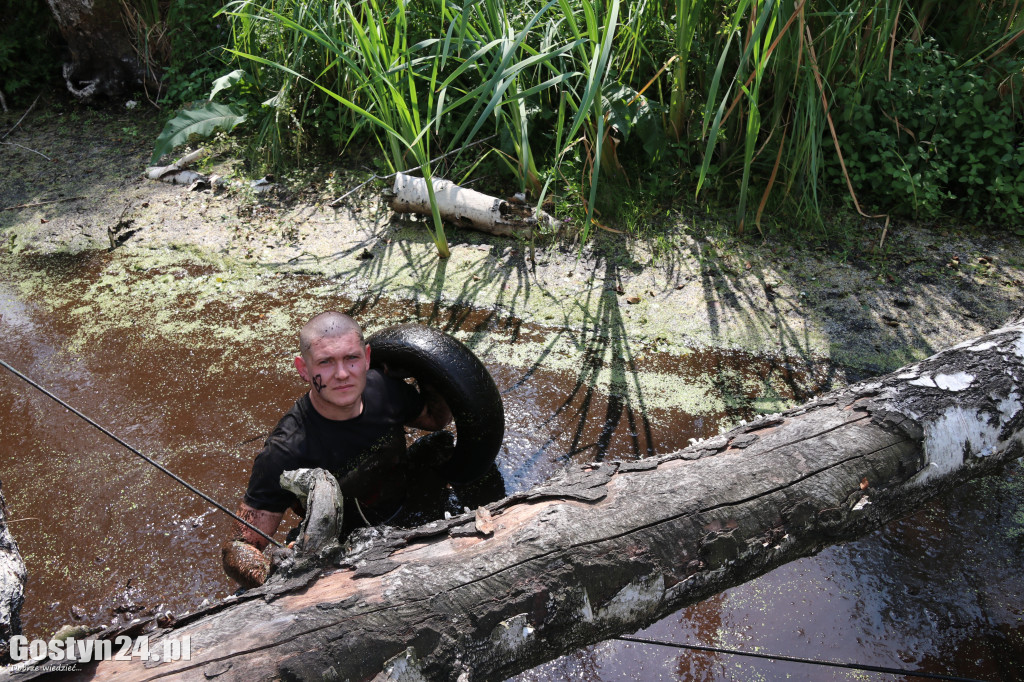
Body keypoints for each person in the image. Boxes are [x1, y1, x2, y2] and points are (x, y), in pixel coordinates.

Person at [222, 311, 452, 588]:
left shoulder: (385, 390)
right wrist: (272, 574)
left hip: (409, 512)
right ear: (303, 369)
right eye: (325, 362)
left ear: (367, 357)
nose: (342, 374)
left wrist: (431, 373)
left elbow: (436, 420)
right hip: (341, 553)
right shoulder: (285, 451)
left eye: (351, 359)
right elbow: (238, 546)